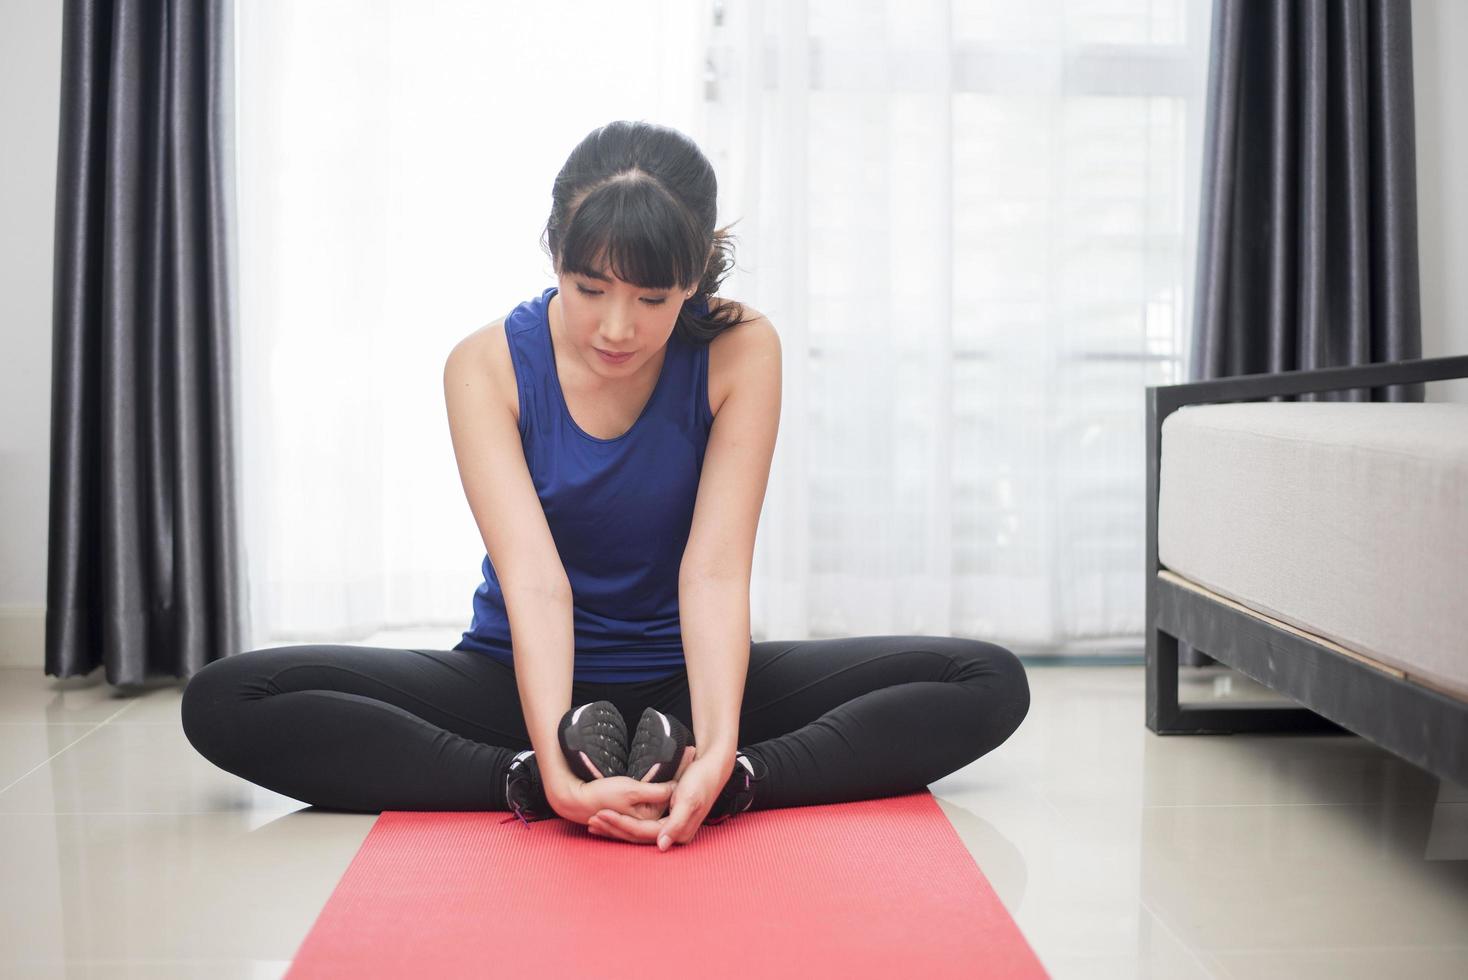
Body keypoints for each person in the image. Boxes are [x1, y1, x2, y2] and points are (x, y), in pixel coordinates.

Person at [181, 119, 1031, 852]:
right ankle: (517, 783)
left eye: (653, 298)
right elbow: (536, 583)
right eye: (590, 289)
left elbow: (714, 570)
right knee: (229, 699)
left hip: (684, 688)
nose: (617, 328)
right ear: (555, 253)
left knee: (987, 680)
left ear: (695, 276)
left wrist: (720, 745)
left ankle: (726, 783)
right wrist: (551, 767)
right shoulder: (484, 366)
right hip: (516, 683)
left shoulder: (742, 350)